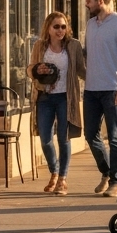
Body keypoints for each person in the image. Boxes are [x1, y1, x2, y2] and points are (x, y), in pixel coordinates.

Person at [83, 0, 117, 199]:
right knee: (90, 134)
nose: (87, 5)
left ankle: (116, 182)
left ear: (100, 1)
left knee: (115, 137)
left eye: (89, 1)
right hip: (91, 89)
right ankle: (106, 172)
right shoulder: (91, 24)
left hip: (113, 88)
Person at [28, 11, 87, 196]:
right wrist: (39, 68)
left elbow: (81, 70)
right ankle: (54, 170)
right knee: (45, 138)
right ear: (48, 28)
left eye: (63, 26)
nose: (60, 30)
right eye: (56, 27)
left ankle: (62, 178)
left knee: (64, 137)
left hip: (65, 97)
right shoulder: (40, 46)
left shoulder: (73, 45)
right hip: (44, 97)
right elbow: (30, 70)